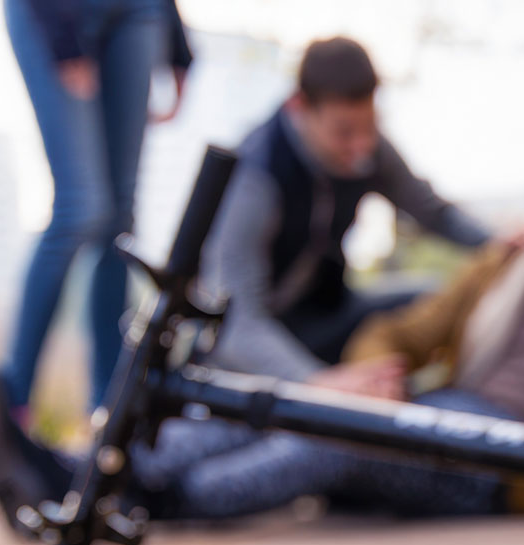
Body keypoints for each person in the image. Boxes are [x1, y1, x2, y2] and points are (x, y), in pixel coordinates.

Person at [0, 144, 524, 528]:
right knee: (285, 405)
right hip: (445, 410)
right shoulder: (515, 264)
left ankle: (137, 497)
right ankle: (76, 470)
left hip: (514, 467)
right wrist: (373, 374)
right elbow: (405, 328)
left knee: (341, 437)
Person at [202, 36, 491, 383]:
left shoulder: (371, 151)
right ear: (299, 106)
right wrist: (318, 383)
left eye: (370, 127)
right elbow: (235, 321)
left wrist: (508, 247)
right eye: (344, 132)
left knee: (437, 300)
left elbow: (435, 214)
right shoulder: (255, 176)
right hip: (253, 348)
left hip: (323, 315)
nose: (361, 147)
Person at [1, 0, 194, 420]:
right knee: (79, 206)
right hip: (57, 10)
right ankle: (13, 402)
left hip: (139, 13)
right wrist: (63, 39)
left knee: (120, 223)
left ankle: (107, 410)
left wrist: (180, 49)